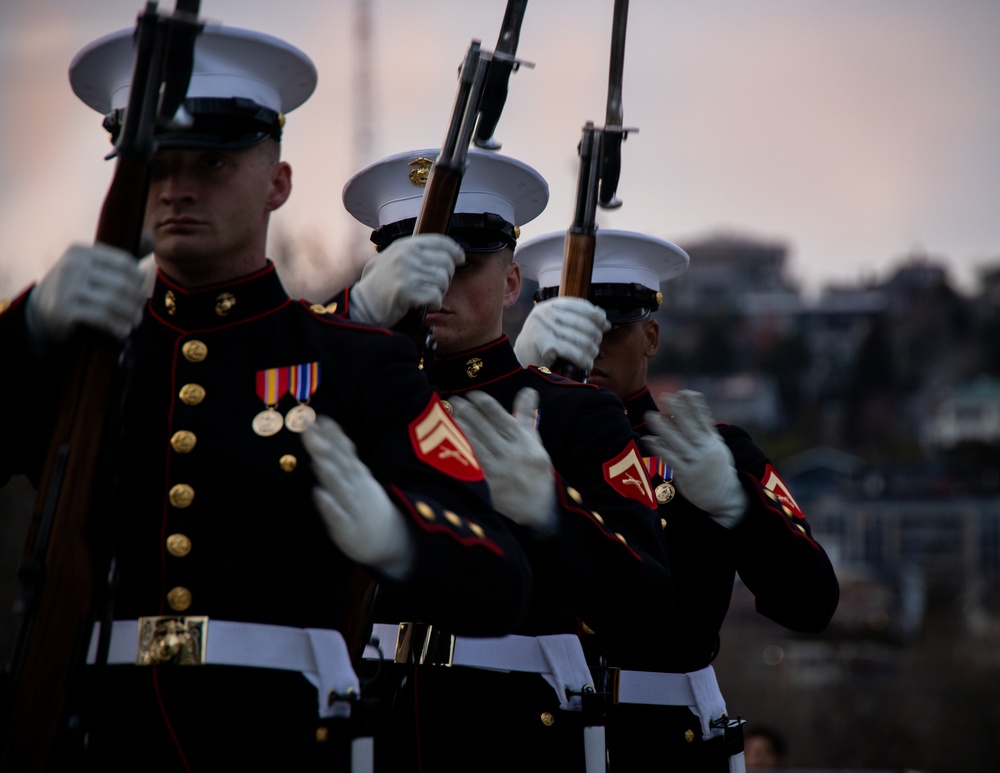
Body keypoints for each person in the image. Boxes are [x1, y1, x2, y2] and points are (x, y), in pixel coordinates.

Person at [0, 23, 533, 770]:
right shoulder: (88, 354)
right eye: (157, 164)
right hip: (103, 729)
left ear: (277, 182)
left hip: (280, 733)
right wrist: (23, 331)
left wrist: (397, 534)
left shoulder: (354, 362)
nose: (179, 187)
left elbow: (498, 573)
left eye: (213, 162)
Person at [338, 150, 675, 771]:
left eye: (464, 264)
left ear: (513, 282)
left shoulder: (575, 414)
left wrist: (553, 511)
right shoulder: (347, 392)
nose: (436, 285)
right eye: (411, 263)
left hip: (513, 726)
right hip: (366, 714)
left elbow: (649, 607)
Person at [515, 229, 840, 772]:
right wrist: (520, 388)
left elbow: (812, 603)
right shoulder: (509, 438)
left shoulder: (710, 450)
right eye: (571, 329)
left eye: (611, 329)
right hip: (533, 728)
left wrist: (738, 507)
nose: (588, 348)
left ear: (651, 336)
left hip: (664, 736)